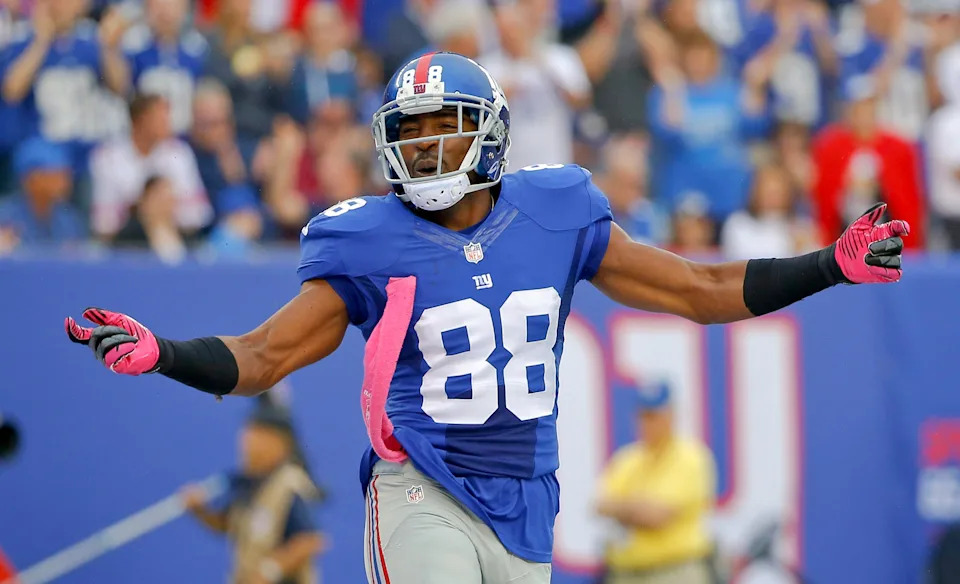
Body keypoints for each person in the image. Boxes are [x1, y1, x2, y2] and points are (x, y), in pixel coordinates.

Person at [65, 52, 909, 584]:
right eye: (413, 134)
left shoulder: (558, 209)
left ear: (492, 137)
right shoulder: (367, 240)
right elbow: (262, 356)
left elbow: (699, 287)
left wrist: (828, 266)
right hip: (421, 486)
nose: (427, 151)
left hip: (528, 501)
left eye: (446, 131)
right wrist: (164, 354)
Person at [180, 402, 326, 584]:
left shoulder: (289, 485)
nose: (248, 442)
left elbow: (309, 540)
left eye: (258, 435)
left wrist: (269, 571)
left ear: (281, 443)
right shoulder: (245, 484)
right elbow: (228, 525)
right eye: (247, 434)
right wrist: (200, 510)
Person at [595, 383, 715, 584]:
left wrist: (623, 508)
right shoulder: (628, 459)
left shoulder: (690, 457)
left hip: (675, 571)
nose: (648, 423)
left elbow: (657, 516)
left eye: (654, 416)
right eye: (644, 416)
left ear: (671, 416)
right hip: (626, 572)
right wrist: (639, 507)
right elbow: (601, 505)